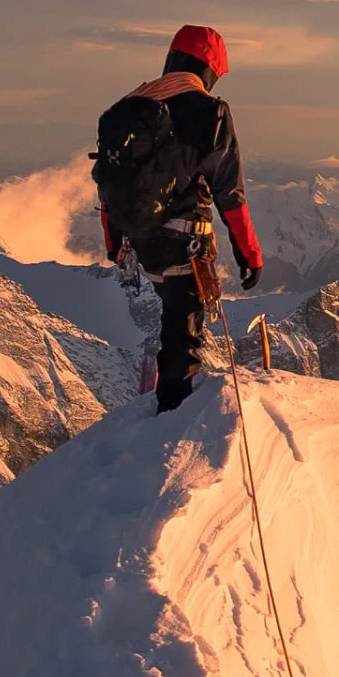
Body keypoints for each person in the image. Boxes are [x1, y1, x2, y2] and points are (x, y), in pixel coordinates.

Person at [95, 23, 263, 413]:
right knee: (182, 335)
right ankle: (172, 424)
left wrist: (113, 240)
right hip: (184, 243)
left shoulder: (126, 109)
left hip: (140, 241)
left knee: (174, 325)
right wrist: (249, 254)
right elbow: (229, 192)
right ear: (209, 68)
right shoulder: (210, 112)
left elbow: (109, 181)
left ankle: (167, 406)